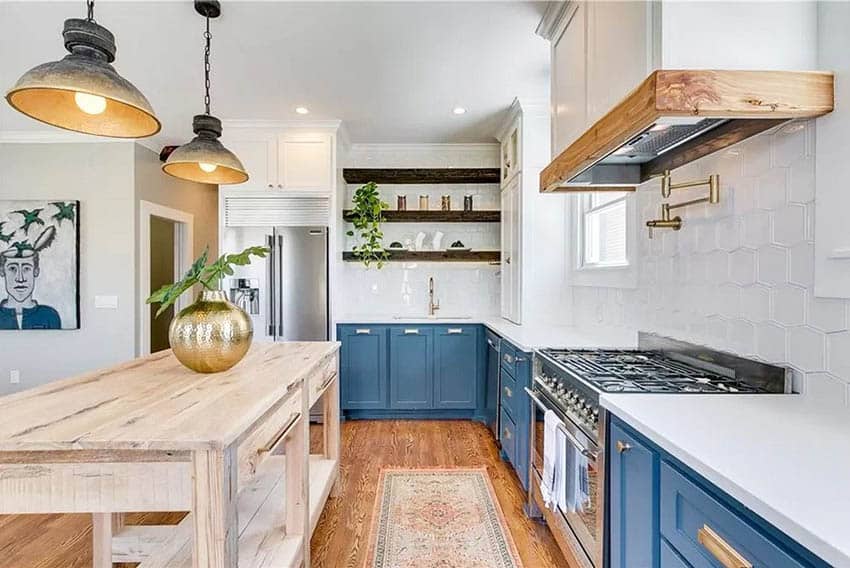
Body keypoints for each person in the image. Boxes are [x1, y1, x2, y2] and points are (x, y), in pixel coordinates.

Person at [0, 247, 61, 330]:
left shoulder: (49, 316)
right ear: (2, 271)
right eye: (12, 268)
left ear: (36, 271)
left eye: (26, 269)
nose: (20, 279)